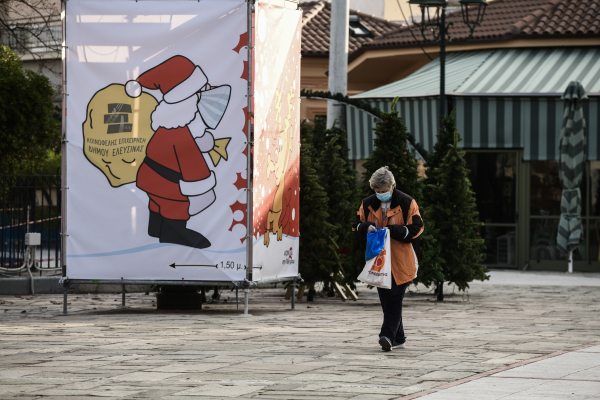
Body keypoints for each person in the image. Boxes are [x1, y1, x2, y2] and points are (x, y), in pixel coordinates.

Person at [353, 166, 424, 351]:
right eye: (377, 192)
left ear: (392, 186)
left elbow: (417, 228)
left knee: (394, 297)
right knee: (385, 298)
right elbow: (356, 226)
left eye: (384, 191)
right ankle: (399, 337)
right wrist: (366, 227)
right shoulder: (368, 203)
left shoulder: (407, 202)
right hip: (378, 261)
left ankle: (387, 336)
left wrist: (392, 231)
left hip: (402, 260)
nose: (380, 194)